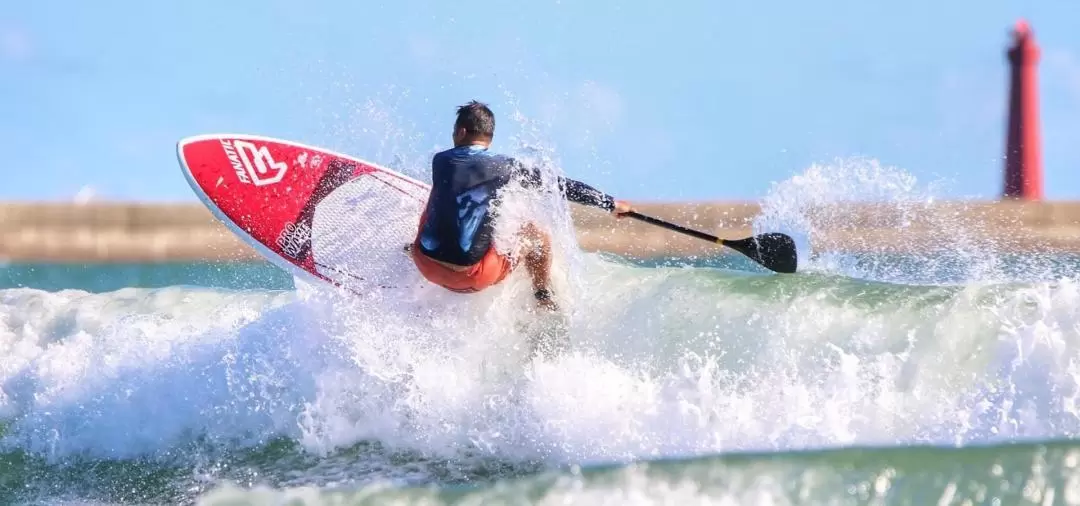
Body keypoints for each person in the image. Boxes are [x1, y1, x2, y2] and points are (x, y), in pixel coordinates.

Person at [408, 100, 632, 313]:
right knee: (538, 237)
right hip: (472, 277)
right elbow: (560, 185)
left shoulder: (440, 160)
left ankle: (410, 248)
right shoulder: (505, 166)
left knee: (438, 198)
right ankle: (542, 296)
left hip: (424, 263)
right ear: (489, 137)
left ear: (461, 132)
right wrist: (609, 203)